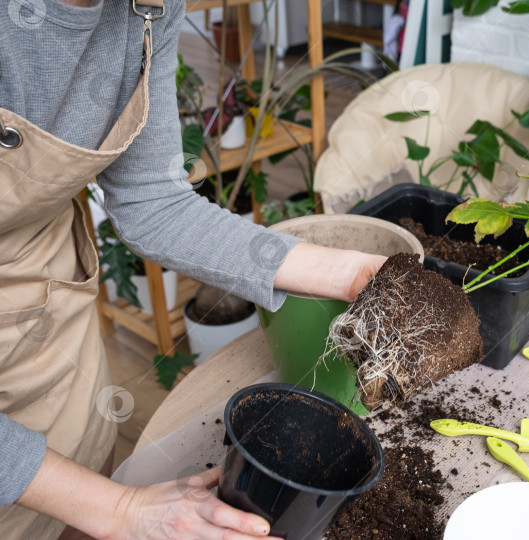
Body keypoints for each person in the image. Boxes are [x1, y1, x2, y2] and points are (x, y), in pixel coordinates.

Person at [0, 0, 386, 538]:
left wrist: (350, 275)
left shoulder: (146, 7)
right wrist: (118, 511)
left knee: (72, 485)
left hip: (43, 295)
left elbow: (152, 199)